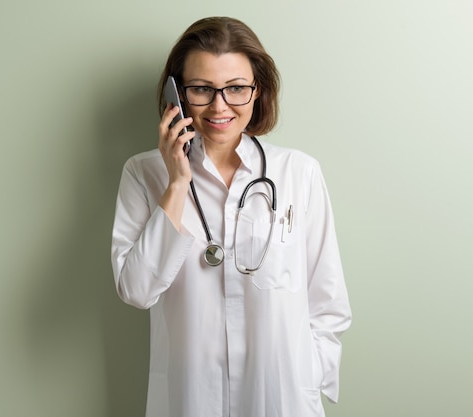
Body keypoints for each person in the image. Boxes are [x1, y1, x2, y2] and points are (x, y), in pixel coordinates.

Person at [111, 16, 352, 417]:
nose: (219, 106)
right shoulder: (143, 173)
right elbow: (136, 290)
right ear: (178, 95)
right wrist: (175, 184)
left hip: (279, 398)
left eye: (236, 88)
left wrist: (307, 377)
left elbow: (328, 302)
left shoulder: (298, 173)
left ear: (258, 91)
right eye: (202, 89)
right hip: (190, 399)